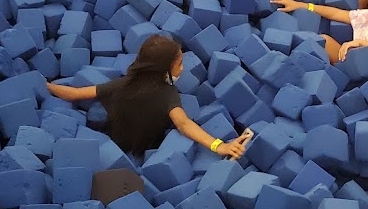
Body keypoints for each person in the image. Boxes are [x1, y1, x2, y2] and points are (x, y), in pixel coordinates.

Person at [46, 35, 252, 160]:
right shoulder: (168, 94)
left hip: (114, 140)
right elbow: (184, 124)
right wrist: (219, 145)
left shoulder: (122, 83)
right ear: (163, 69)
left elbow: (75, 94)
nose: (183, 68)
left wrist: (46, 86)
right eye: (179, 64)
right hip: (145, 148)